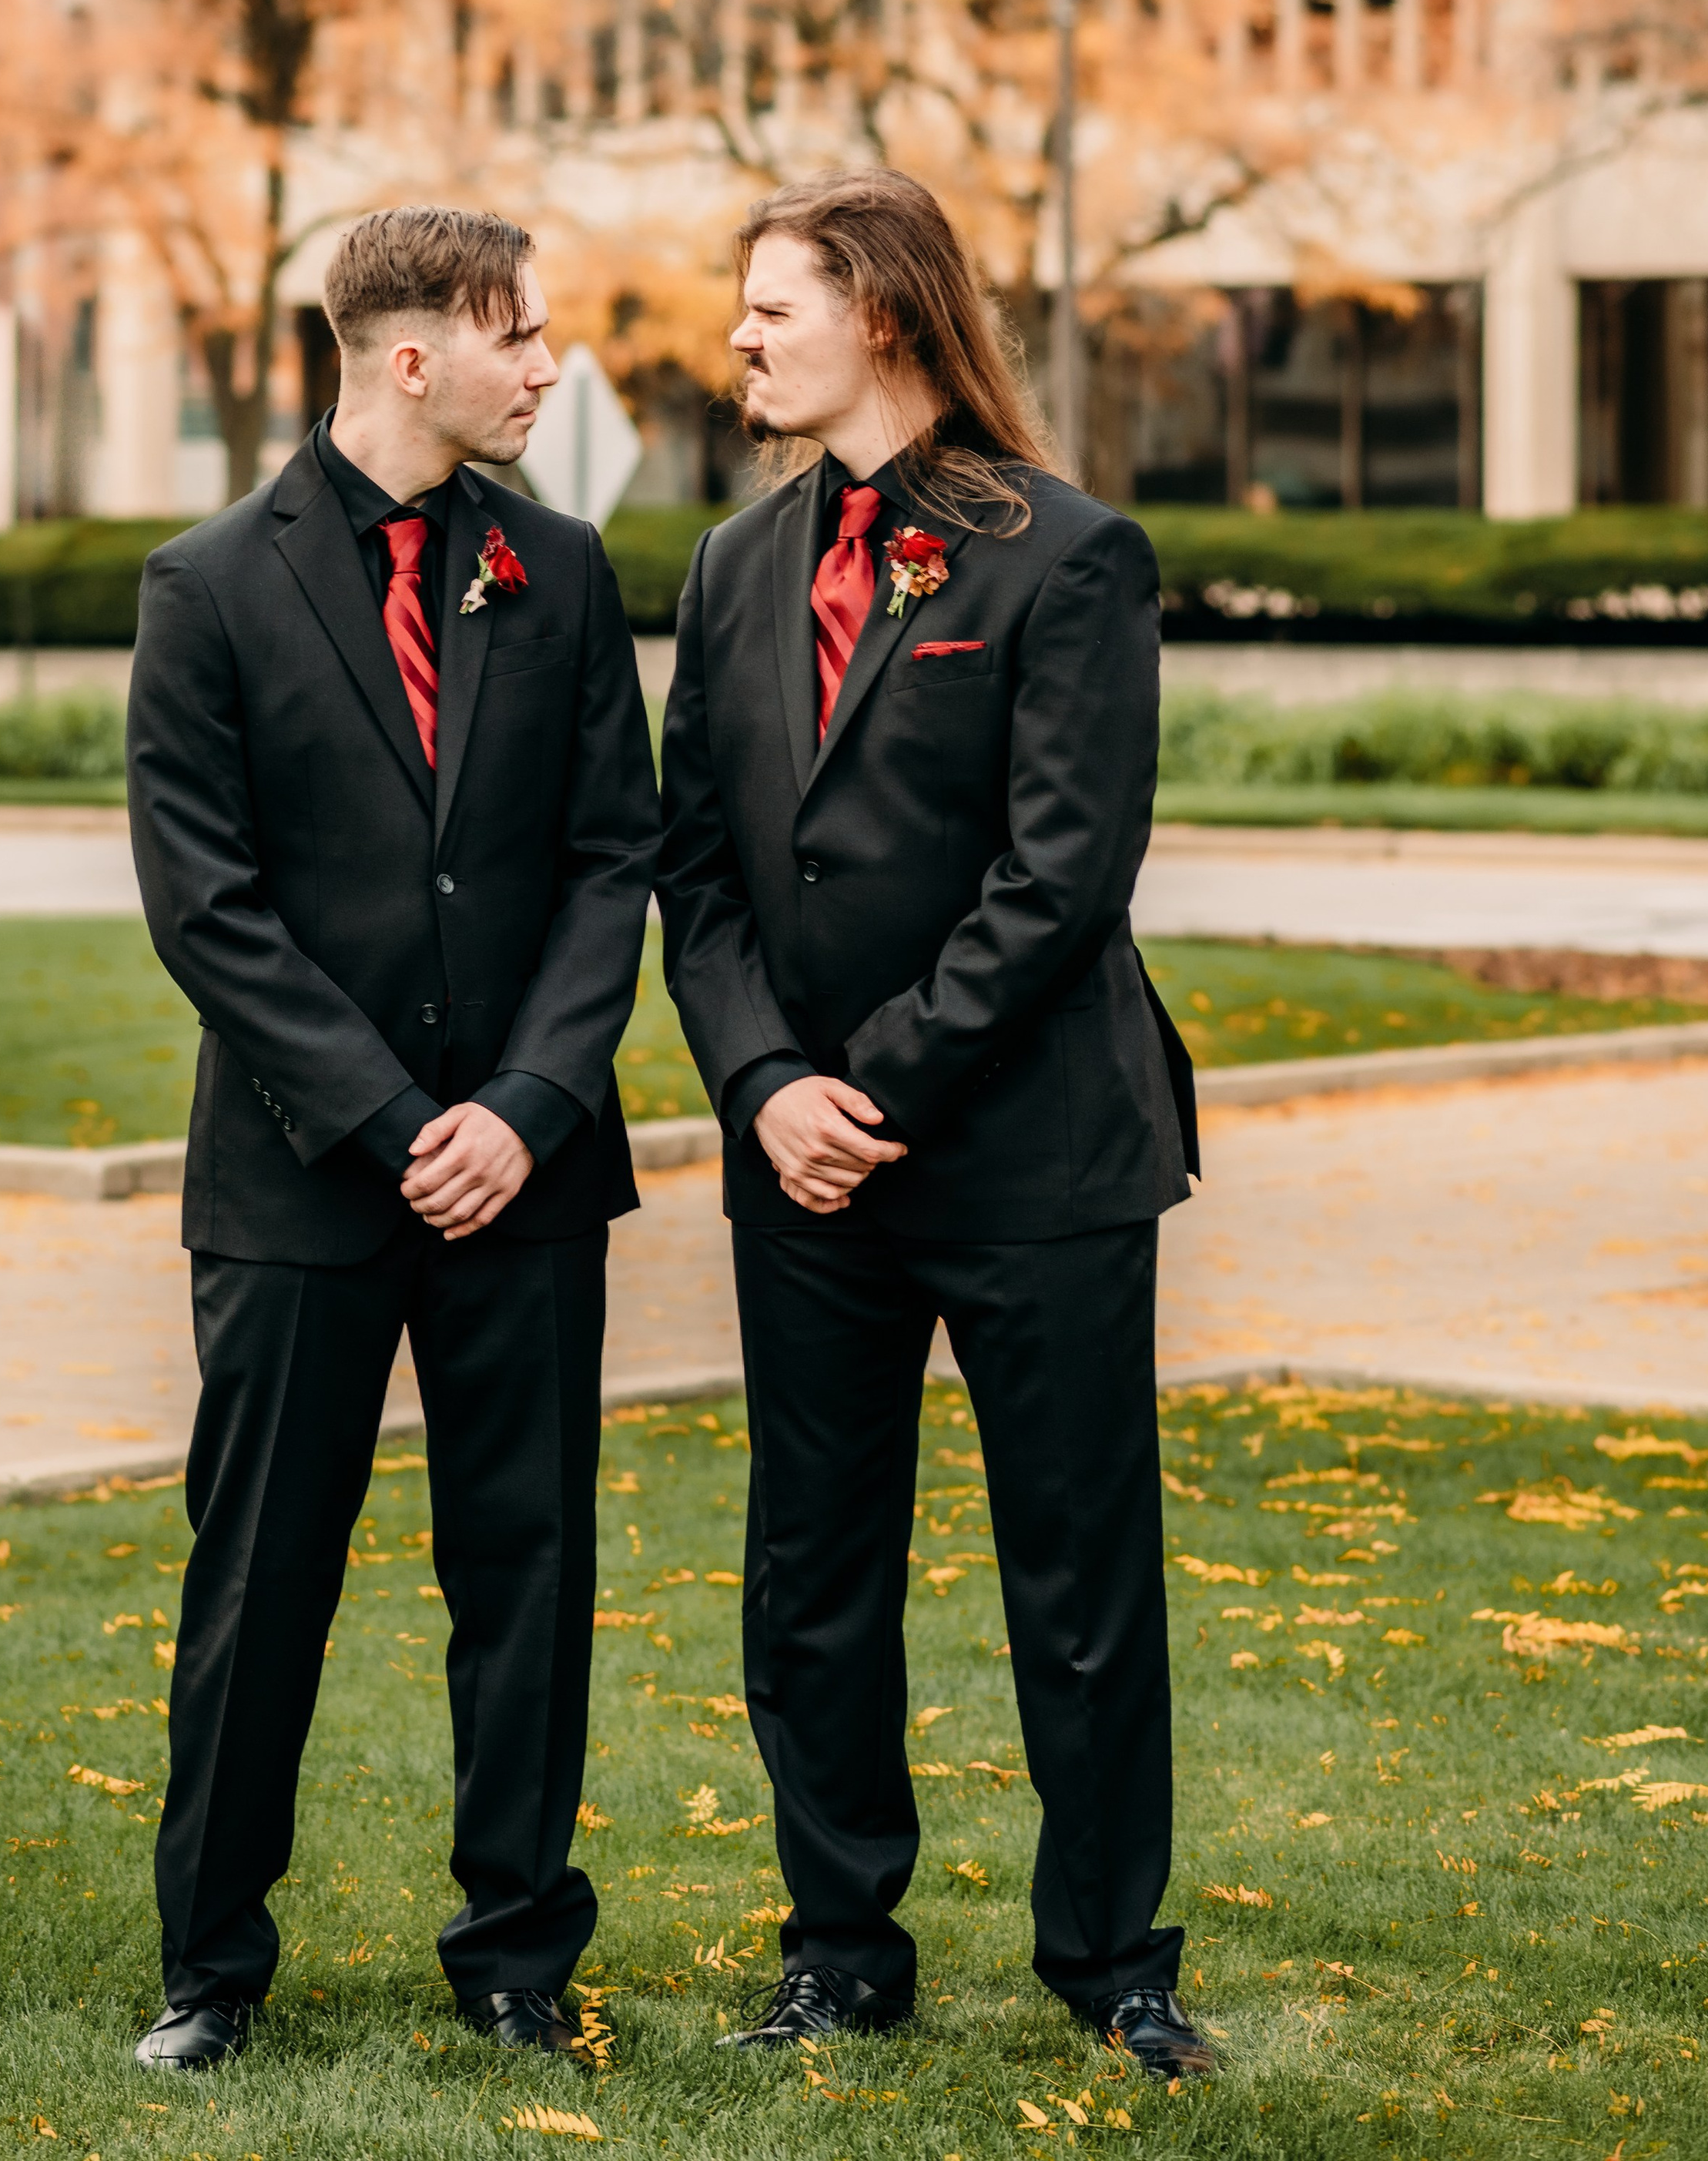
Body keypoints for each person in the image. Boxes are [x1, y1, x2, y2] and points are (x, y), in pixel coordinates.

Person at [657, 166, 1210, 2079]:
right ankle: (839, 1945)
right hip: (802, 1169)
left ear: (880, 314)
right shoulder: (729, 568)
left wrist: (868, 1082)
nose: (737, 337)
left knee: (1077, 1567)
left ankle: (1112, 1962)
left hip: (1035, 1154)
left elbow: (1063, 880)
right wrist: (765, 1088)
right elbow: (698, 875)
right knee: (810, 1567)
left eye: (770, 307)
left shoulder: (1067, 557)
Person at [126, 206, 657, 2073]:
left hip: (528, 1179)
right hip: (297, 1183)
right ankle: (211, 1966)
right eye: (522, 336)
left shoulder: (566, 569)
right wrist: (385, 1117)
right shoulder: (206, 585)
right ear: (412, 355)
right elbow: (205, 906)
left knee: (525, 1570)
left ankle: (516, 1948)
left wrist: (521, 1109)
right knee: (260, 1571)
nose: (549, 366)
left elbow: (615, 862)